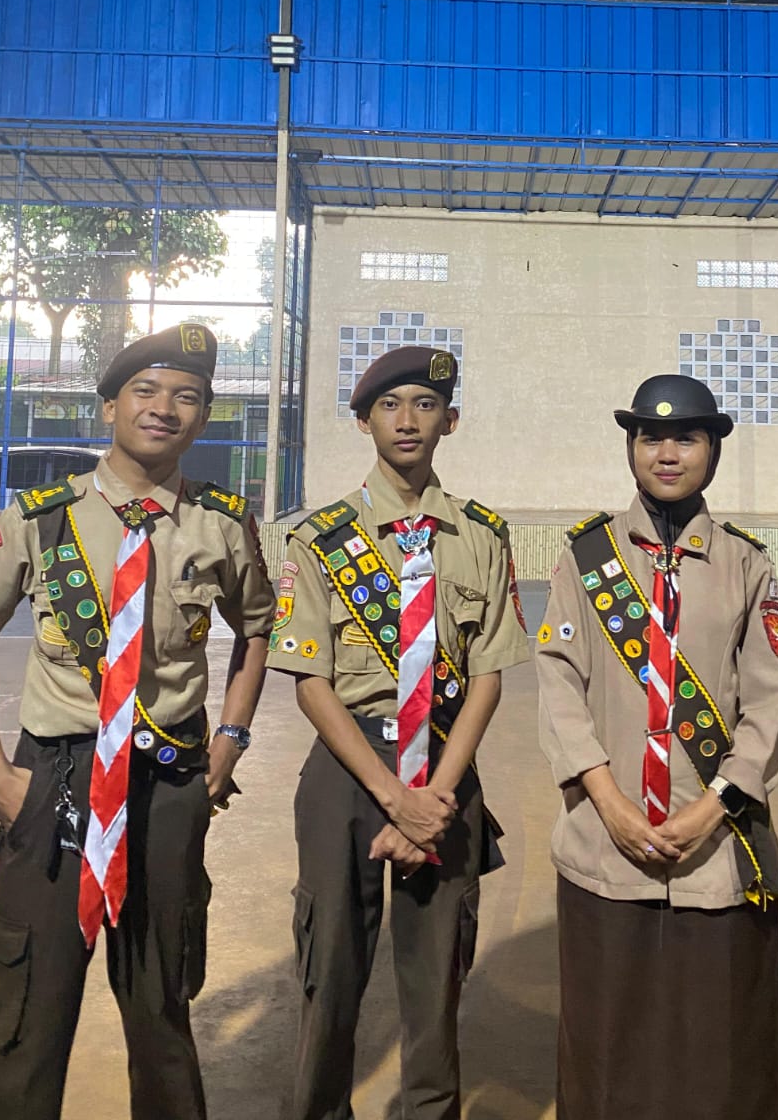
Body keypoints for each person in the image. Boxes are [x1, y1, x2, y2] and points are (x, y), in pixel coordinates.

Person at [0, 322, 275, 1120]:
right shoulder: (38, 517)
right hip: (56, 780)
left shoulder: (220, 525)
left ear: (204, 415)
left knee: (162, 1005)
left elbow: (258, 626)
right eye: (147, 391)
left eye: (187, 397)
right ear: (111, 404)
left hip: (167, 782)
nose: (165, 409)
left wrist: (231, 733)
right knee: (29, 1006)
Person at [268, 344, 530, 1120]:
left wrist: (435, 796)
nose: (408, 420)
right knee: (331, 967)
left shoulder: (481, 534)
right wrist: (393, 795)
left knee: (436, 974)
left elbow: (488, 674)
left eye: (425, 405)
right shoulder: (320, 538)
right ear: (362, 421)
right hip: (350, 769)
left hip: (447, 768)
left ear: (450, 420)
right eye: (390, 405)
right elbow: (310, 682)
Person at [536, 373, 778, 1120]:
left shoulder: (748, 564)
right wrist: (610, 804)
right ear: (632, 447)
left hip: (716, 850)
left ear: (712, 449)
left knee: (721, 1046)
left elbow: (770, 702)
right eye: (651, 437)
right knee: (607, 1042)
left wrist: (712, 810)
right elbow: (558, 686)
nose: (668, 453)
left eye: (687, 437)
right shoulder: (587, 560)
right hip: (605, 845)